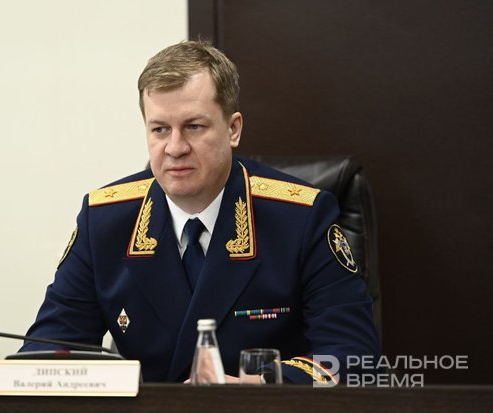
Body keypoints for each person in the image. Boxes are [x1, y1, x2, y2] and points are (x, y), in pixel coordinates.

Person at [20, 40, 380, 384]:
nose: (175, 148)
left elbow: (353, 357)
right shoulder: (105, 220)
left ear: (233, 129)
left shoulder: (300, 218)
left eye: (194, 126)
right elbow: (47, 351)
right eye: (160, 129)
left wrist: (262, 384)